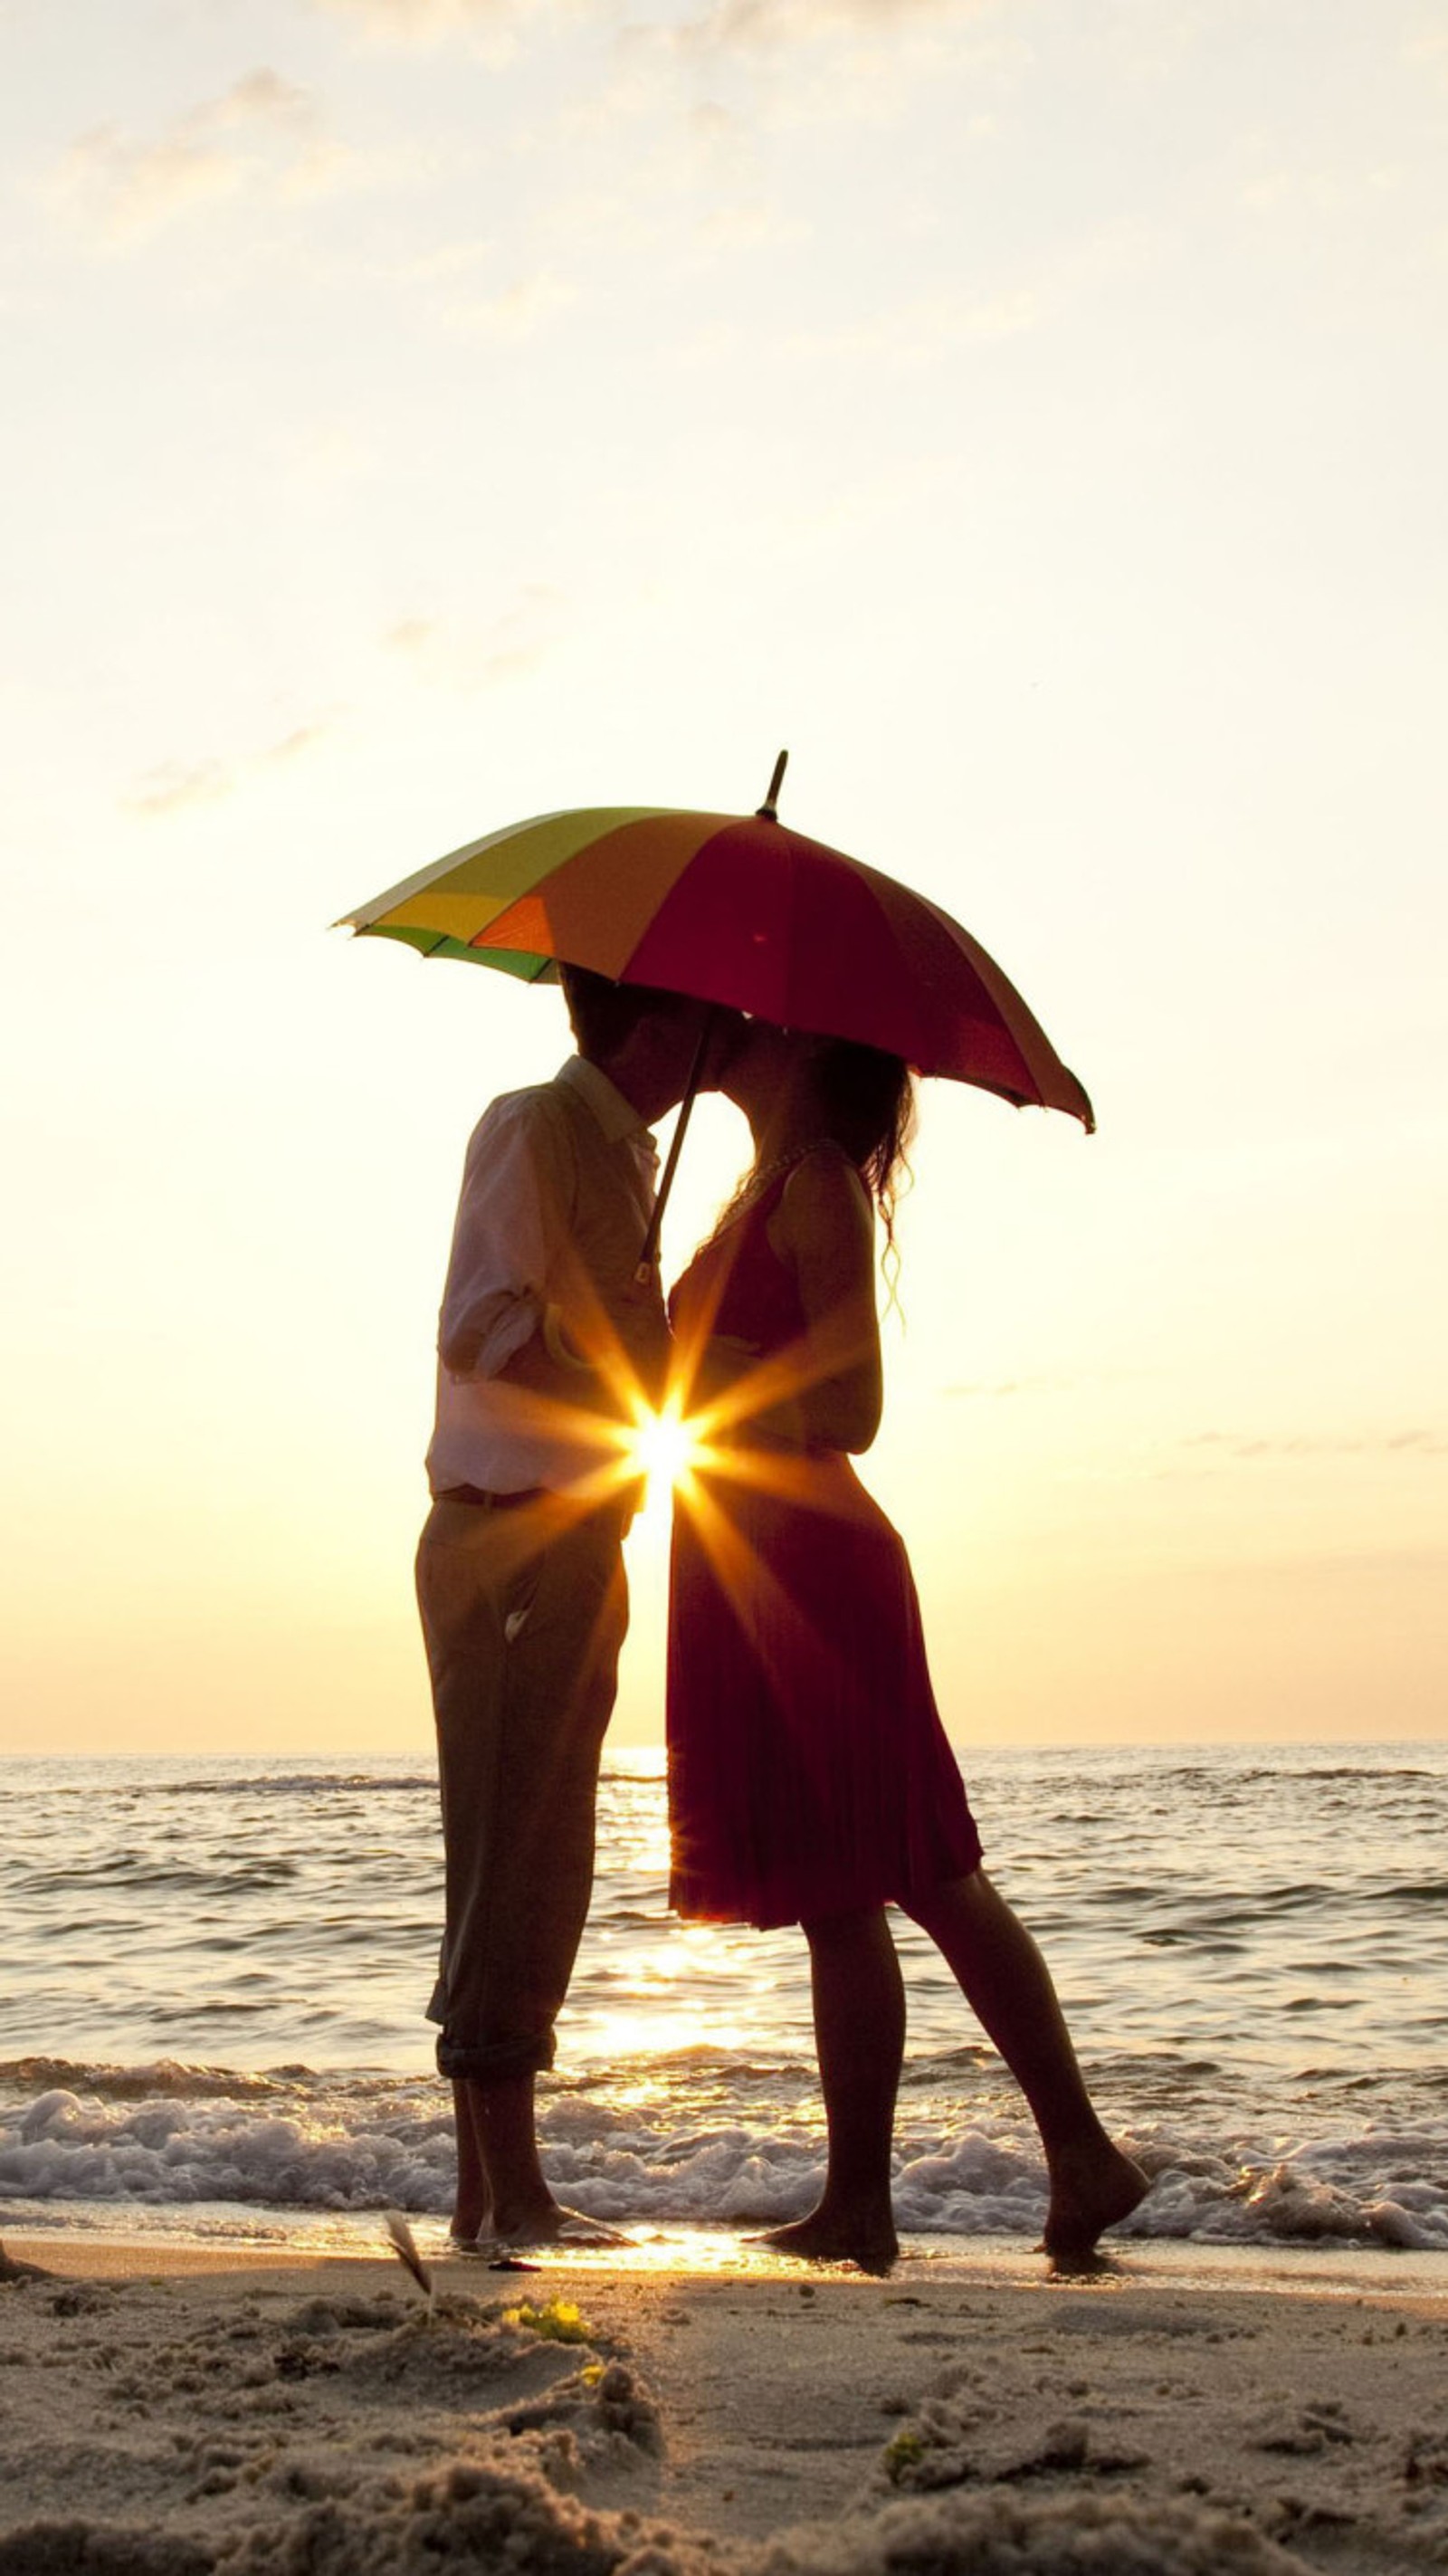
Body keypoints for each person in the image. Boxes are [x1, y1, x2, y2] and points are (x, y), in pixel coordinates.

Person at [666, 1016, 1148, 2272]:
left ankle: (1077, 2152)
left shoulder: (816, 1179)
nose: (725, 1028)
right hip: (751, 1559)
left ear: (802, 1046)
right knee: (838, 1894)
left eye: (753, 1020)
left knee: (924, 1868)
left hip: (815, 1564)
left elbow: (855, 1408)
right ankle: (865, 2202)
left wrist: (715, 1368)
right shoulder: (759, 1184)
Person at [416, 965, 709, 2247]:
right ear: (648, 1026)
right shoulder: (536, 1124)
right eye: (704, 1017)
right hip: (509, 1535)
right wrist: (619, 1381)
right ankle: (510, 2191)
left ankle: (493, 2194)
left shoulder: (624, 1154)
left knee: (553, 1854)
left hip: (576, 1534)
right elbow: (481, 1321)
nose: (723, 1038)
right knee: (510, 1852)